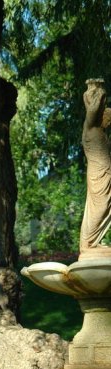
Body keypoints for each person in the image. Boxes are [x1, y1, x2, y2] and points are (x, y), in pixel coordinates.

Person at [80, 78, 111, 257]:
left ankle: (93, 242)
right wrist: (98, 91)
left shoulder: (100, 131)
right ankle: (88, 244)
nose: (109, 121)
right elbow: (92, 111)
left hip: (105, 175)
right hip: (98, 176)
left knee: (105, 207)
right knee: (99, 208)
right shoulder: (90, 126)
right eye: (108, 118)